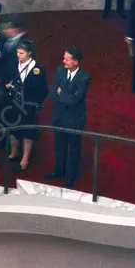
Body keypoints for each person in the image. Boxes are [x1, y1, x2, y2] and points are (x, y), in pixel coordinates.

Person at [47, 47, 90, 189]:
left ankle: (71, 177)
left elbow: (75, 100)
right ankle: (58, 171)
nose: (63, 61)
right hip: (59, 117)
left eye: (67, 59)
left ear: (76, 62)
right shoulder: (60, 70)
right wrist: (62, 94)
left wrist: (61, 94)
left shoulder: (84, 77)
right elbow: (52, 90)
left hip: (74, 121)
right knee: (59, 147)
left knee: (73, 150)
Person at [4, 38, 48, 170]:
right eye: (17, 52)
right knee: (12, 129)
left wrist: (35, 102)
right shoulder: (13, 64)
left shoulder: (38, 69)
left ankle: (25, 157)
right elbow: (8, 78)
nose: (18, 55)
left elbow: (43, 89)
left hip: (28, 105)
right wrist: (9, 85)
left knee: (28, 131)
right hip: (14, 102)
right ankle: (14, 152)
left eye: (21, 53)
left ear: (29, 53)